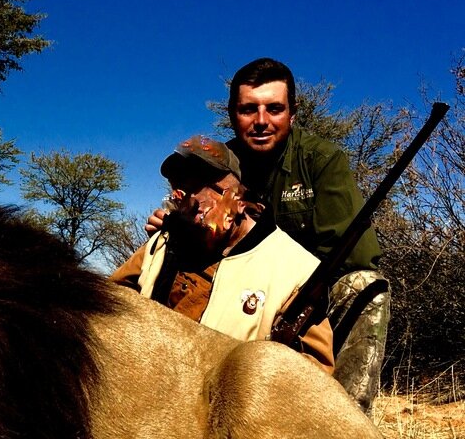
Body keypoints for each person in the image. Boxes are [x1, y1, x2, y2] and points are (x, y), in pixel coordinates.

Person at [146, 58, 387, 413]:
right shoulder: (219, 159)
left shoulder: (322, 160)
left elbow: (354, 256)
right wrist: (174, 222)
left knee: (366, 286)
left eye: (274, 109)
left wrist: (278, 279)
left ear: (292, 114)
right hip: (232, 287)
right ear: (231, 114)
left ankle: (348, 420)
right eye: (248, 110)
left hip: (295, 290)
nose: (261, 121)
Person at [114, 135, 334, 372]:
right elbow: (109, 303)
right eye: (181, 187)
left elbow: (315, 374)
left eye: (202, 186)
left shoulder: (296, 270)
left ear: (239, 199)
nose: (189, 199)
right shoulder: (161, 243)